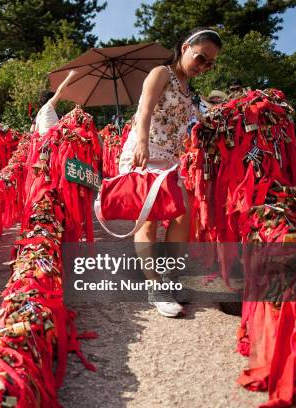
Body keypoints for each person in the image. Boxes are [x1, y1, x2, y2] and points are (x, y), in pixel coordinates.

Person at [117, 27, 222, 317]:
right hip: (144, 152)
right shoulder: (161, 73)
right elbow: (145, 109)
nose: (204, 66)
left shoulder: (191, 92)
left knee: (182, 216)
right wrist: (141, 143)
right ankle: (155, 288)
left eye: (210, 63)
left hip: (170, 160)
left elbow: (203, 120)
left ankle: (170, 278)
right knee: (148, 222)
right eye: (201, 58)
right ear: (187, 46)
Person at [30, 69, 78, 136]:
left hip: (43, 142)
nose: (57, 102)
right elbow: (59, 90)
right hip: (50, 140)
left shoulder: (40, 113)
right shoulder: (48, 105)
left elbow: (34, 131)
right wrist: (70, 75)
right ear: (50, 99)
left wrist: (73, 111)